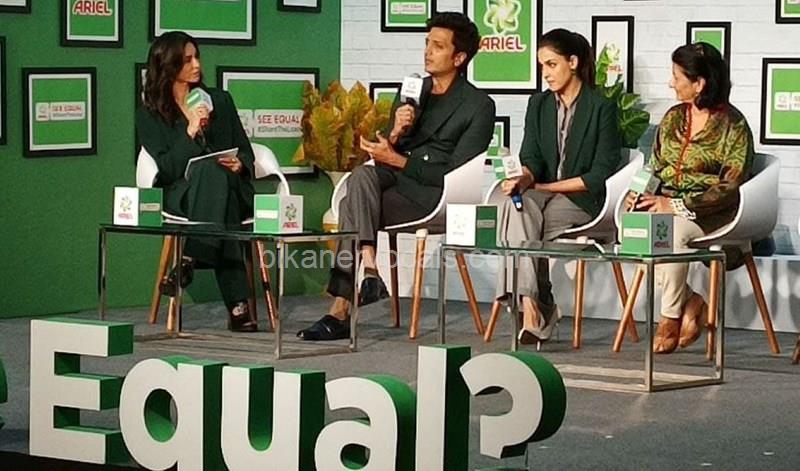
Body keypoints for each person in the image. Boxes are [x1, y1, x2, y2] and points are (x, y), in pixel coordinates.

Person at [297, 12, 496, 341]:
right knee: (361, 176)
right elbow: (388, 150)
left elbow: (454, 172)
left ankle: (341, 309)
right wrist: (395, 133)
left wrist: (397, 159)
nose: (427, 51)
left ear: (459, 57)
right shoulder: (413, 91)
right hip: (395, 181)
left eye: (438, 46)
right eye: (427, 43)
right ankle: (369, 268)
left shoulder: (478, 105)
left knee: (350, 206)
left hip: (434, 194)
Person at [493, 29, 622, 344]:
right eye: (541, 66)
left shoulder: (601, 107)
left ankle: (538, 305)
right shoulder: (538, 104)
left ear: (573, 62)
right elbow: (531, 158)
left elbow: (600, 173)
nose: (545, 73)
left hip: (582, 198)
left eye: (551, 64)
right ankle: (530, 304)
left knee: (527, 229)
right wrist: (523, 179)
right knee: (515, 208)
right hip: (542, 189)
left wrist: (548, 187)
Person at [627, 42, 753, 354]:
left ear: (699, 84)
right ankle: (690, 300)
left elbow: (731, 186)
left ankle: (669, 318)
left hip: (710, 212)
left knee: (667, 233)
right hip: (663, 203)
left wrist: (676, 205)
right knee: (634, 230)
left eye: (676, 77)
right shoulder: (673, 118)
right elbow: (655, 166)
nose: (670, 83)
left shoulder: (734, 125)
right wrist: (639, 190)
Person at [136, 31, 258, 332]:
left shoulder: (220, 100)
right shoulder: (150, 114)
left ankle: (190, 257)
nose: (197, 65)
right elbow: (167, 169)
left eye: (197, 57)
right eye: (187, 60)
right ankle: (238, 305)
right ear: (168, 65)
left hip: (231, 186)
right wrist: (190, 130)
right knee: (211, 177)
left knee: (217, 176)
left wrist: (240, 163)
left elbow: (246, 151)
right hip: (183, 194)